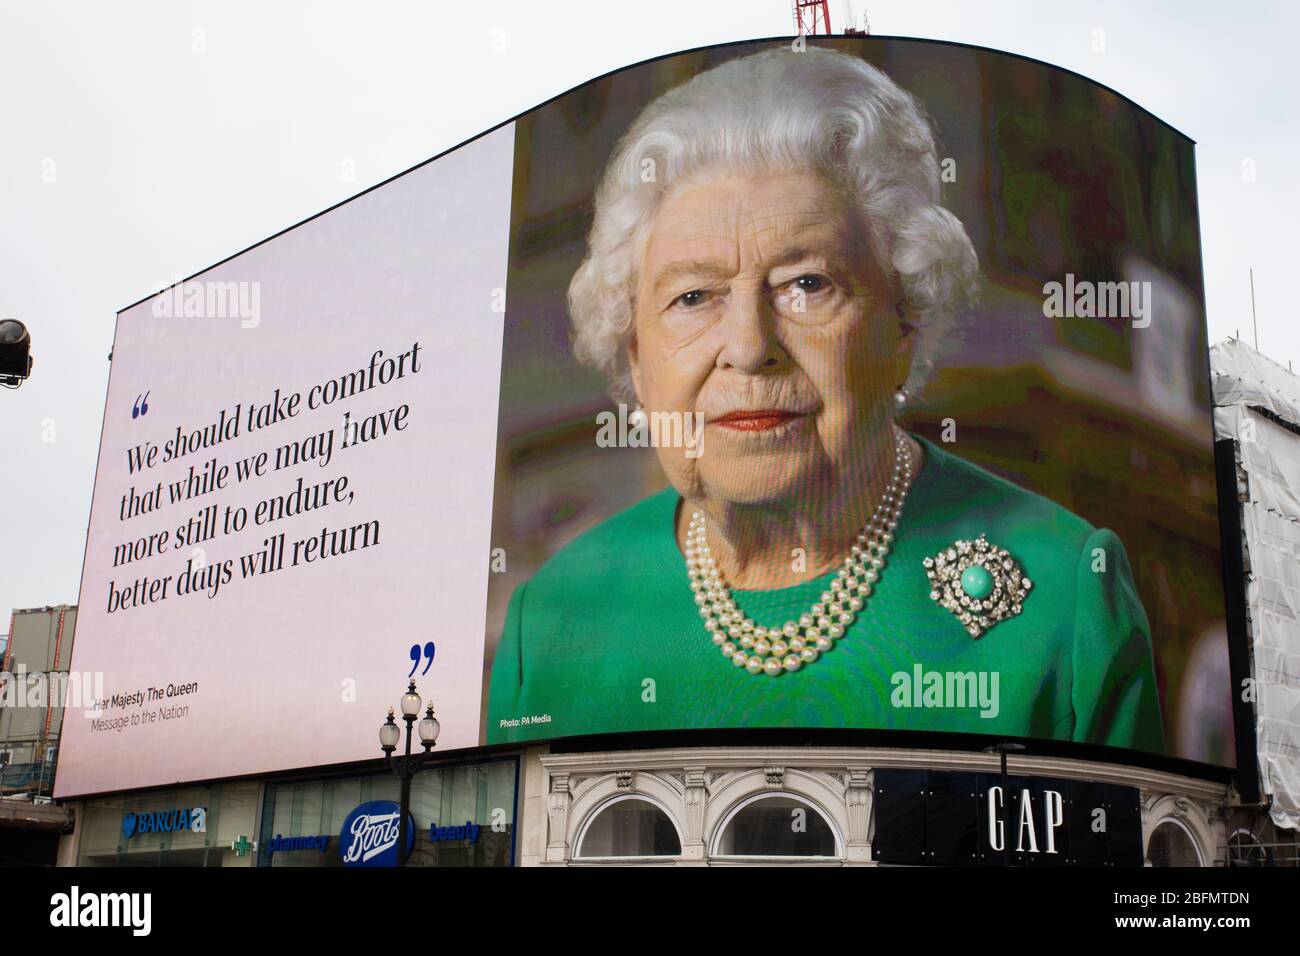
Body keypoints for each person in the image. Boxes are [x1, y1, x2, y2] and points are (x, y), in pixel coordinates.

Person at [487, 47, 1164, 754]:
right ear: (635, 354)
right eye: (693, 297)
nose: (749, 346)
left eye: (806, 284)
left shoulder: (1066, 596)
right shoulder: (554, 619)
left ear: (904, 319)